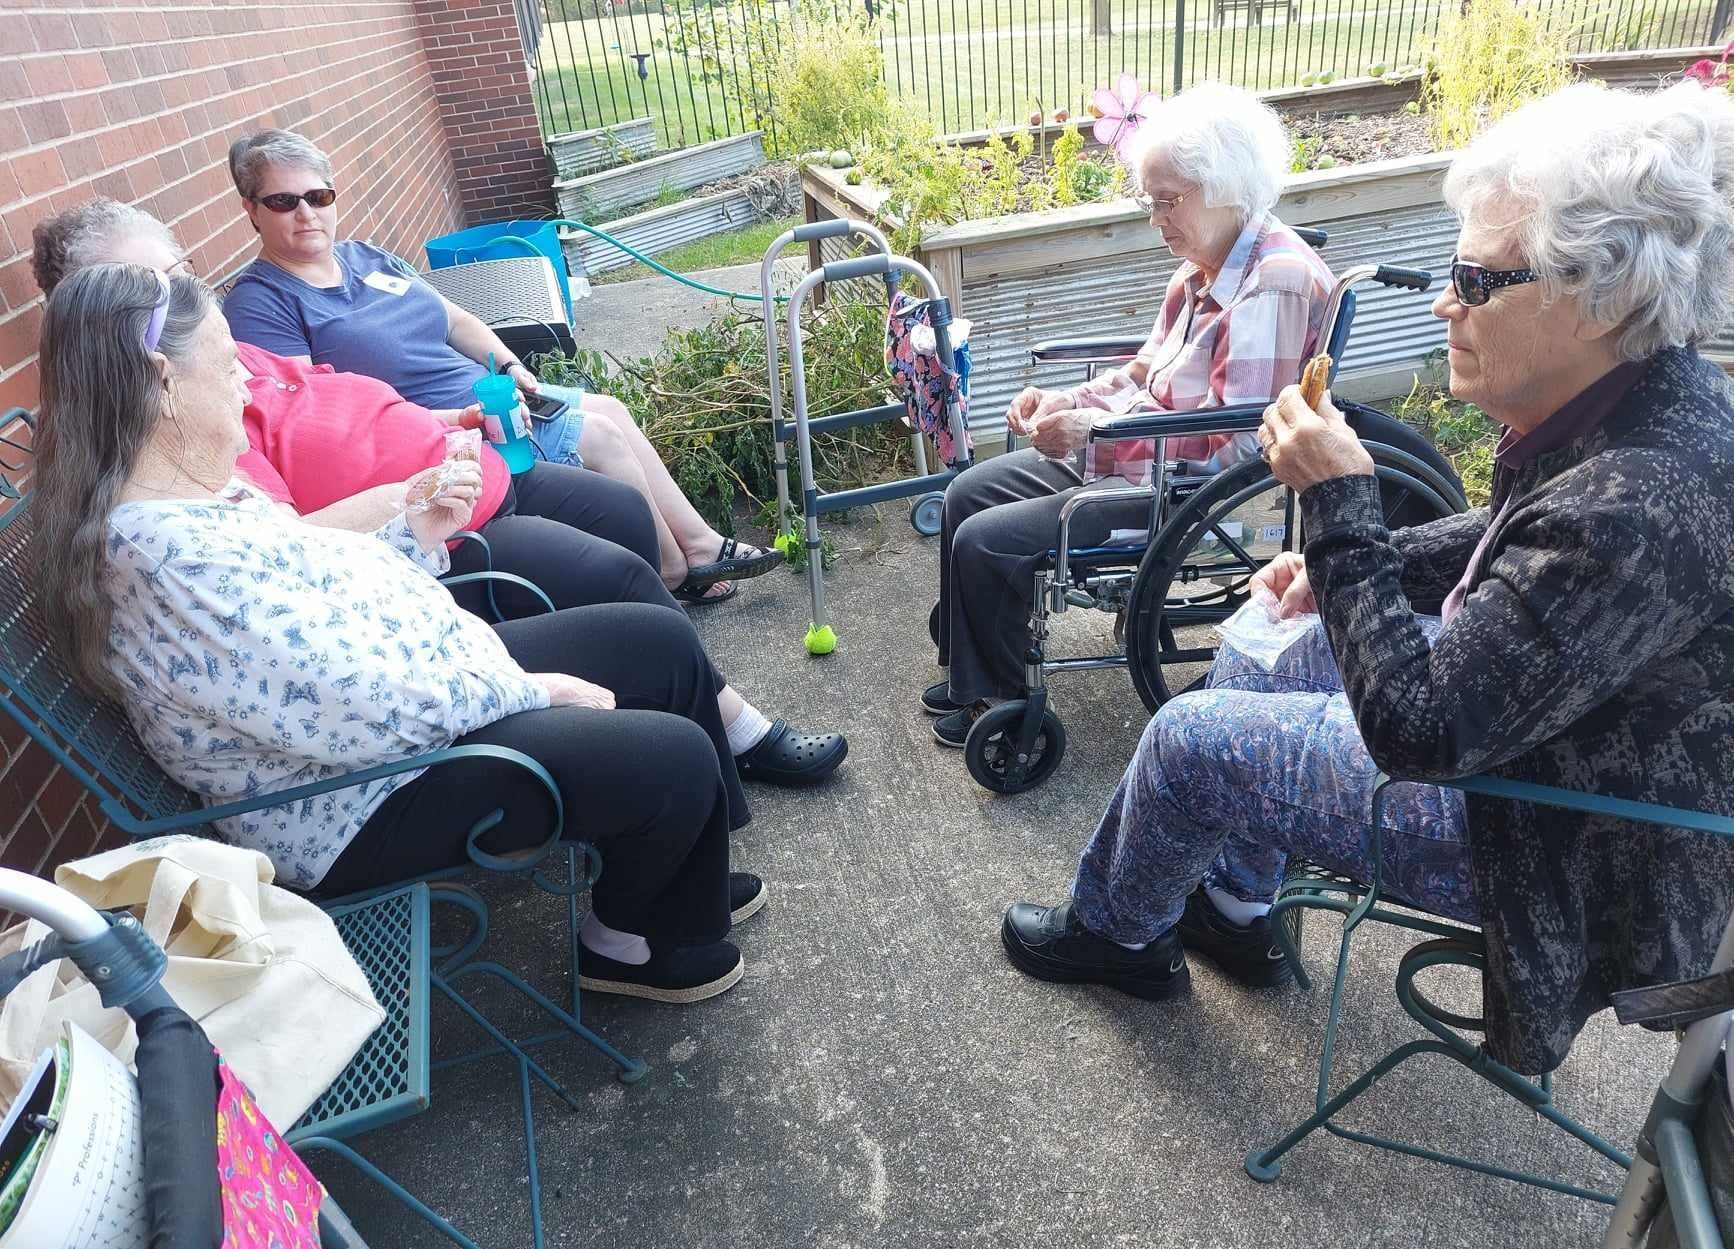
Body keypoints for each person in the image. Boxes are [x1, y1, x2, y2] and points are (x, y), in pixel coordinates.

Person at [1000, 80, 1734, 1078]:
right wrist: (1372, 562)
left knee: (1186, 738)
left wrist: (1344, 509)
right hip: (1551, 744)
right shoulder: (1652, 395)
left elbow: (1421, 730)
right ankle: (1237, 908)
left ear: (1598, 295)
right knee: (1291, 641)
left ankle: (1116, 937)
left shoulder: (1647, 497)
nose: (1445, 303)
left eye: (1478, 281)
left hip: (1557, 842)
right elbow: (1532, 542)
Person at [32, 262, 774, 1003]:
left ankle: (684, 879)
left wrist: (414, 534)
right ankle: (626, 944)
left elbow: (321, 595)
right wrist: (527, 689)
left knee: (655, 642)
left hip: (413, 702)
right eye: (228, 367)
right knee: (669, 759)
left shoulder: (194, 496)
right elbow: (348, 705)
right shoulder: (167, 558)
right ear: (162, 381)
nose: (246, 384)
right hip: (357, 797)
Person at [29, 199, 848, 789]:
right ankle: (714, 743)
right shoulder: (190, 449)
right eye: (151, 288)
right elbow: (295, 554)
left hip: (458, 480)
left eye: (180, 273)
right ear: (104, 336)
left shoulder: (224, 359)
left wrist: (444, 418)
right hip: (439, 543)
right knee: (623, 575)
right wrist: (411, 495)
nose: (184, 300)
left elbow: (345, 400)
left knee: (622, 513)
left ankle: (693, 735)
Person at [925, 83, 1335, 746]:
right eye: (1152, 200)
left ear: (1224, 186)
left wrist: (1098, 436)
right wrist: (1069, 404)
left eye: (1168, 200)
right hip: (1140, 460)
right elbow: (1144, 373)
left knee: (988, 538)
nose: (1156, 218)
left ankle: (1000, 704)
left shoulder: (1273, 282)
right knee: (965, 495)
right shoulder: (1202, 267)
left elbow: (1236, 444)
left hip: (1187, 494)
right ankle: (971, 666)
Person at [218, 127, 776, 605]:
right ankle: (675, 571)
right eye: (283, 201)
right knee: (600, 436)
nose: (308, 213)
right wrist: (459, 417)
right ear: (250, 209)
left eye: (319, 195)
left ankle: (696, 547)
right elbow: (313, 419)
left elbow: (456, 319)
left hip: (494, 396)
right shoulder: (263, 301)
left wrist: (508, 365)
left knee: (612, 408)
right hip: (448, 432)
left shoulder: (365, 257)